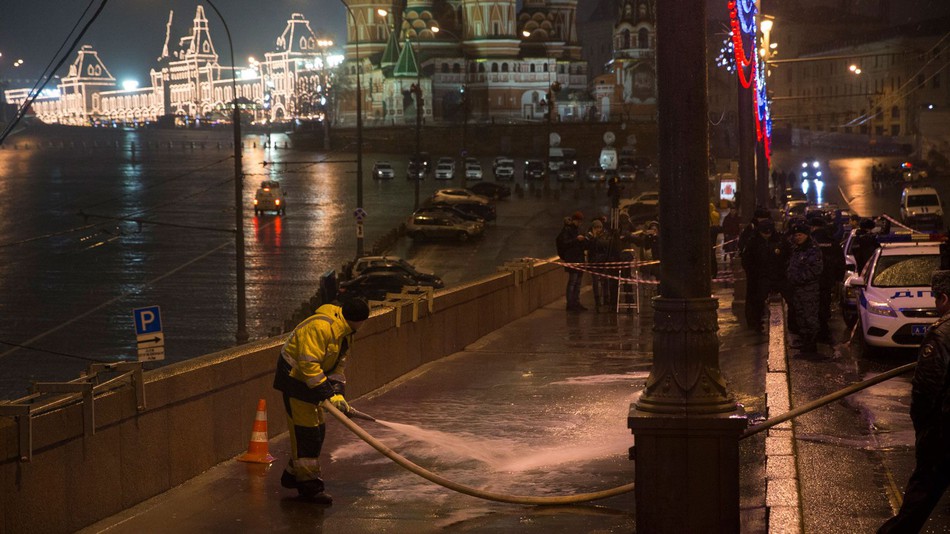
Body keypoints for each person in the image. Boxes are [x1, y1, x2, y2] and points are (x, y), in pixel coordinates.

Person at [273, 298, 371, 503]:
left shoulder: (345, 333)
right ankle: (310, 488)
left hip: (311, 384)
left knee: (317, 431)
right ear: (358, 320)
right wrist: (328, 394)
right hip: (295, 381)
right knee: (307, 434)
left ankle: (293, 475)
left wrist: (337, 393)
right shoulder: (320, 328)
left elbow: (338, 366)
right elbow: (309, 366)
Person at [878, 268, 950, 533]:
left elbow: (926, 388)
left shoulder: (941, 333)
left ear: (943, 297)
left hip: (943, 432)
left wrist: (924, 429)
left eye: (935, 298)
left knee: (921, 496)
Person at [786, 222, 823, 355]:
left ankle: (811, 346)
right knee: (801, 317)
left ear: (806, 235)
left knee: (810, 318)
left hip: (809, 291)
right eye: (796, 235)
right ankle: (805, 344)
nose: (797, 237)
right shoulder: (797, 248)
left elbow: (816, 269)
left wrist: (799, 279)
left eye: (800, 235)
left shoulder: (812, 249)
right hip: (797, 290)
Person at [809, 217, 845, 344]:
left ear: (812, 227)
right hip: (827, 280)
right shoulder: (831, 241)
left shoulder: (809, 241)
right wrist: (838, 279)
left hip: (811, 281)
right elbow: (840, 261)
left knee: (811, 306)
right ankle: (823, 331)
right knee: (824, 304)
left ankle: (813, 333)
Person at [742, 218, 776, 333]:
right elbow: (746, 260)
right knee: (756, 300)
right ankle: (756, 321)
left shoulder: (774, 240)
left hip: (768, 274)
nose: (767, 235)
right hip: (756, 276)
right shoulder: (753, 242)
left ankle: (758, 320)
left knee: (760, 299)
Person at [556, 211, 588, 311]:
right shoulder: (567, 230)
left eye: (580, 222)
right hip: (572, 259)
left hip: (579, 258)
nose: (579, 223)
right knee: (572, 282)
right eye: (578, 221)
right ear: (573, 220)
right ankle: (570, 304)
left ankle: (576, 302)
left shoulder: (579, 230)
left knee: (578, 283)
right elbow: (565, 243)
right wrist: (576, 239)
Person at [586, 218, 612, 312]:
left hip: (603, 261)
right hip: (593, 262)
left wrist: (596, 238)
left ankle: (606, 298)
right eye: (596, 227)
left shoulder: (605, 235)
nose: (598, 229)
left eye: (600, 227)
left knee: (605, 280)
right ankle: (597, 300)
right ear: (593, 228)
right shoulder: (589, 236)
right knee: (595, 282)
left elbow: (605, 244)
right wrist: (594, 238)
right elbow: (589, 246)